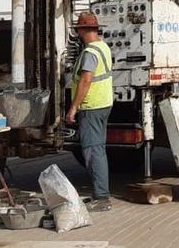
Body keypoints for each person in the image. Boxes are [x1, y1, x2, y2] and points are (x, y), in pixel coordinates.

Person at [65, 11, 114, 212]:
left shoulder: (89, 53)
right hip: (104, 104)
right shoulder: (103, 47)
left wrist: (74, 107)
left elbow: (86, 80)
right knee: (98, 150)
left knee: (93, 152)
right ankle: (100, 194)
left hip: (91, 106)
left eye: (78, 29)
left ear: (82, 31)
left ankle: (102, 198)